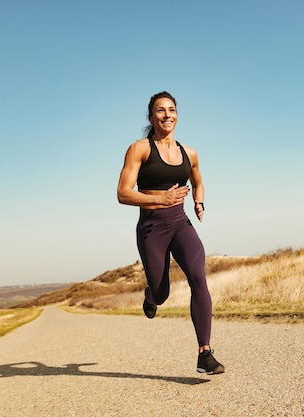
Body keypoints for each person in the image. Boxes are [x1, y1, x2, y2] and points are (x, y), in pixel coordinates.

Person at [117, 91, 224, 375]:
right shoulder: (139, 149)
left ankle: (205, 353)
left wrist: (198, 201)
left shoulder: (189, 153)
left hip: (179, 222)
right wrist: (158, 200)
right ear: (151, 116)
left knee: (198, 275)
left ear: (177, 114)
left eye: (172, 109)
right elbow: (123, 194)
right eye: (160, 110)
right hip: (152, 227)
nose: (167, 115)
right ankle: (150, 297)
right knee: (162, 293)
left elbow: (198, 182)